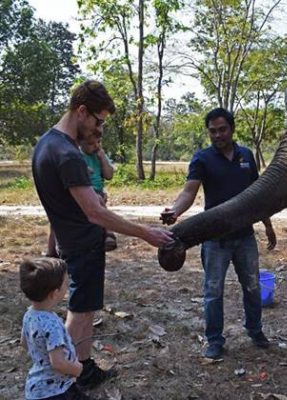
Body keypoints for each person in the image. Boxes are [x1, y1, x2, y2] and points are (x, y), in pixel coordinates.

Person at [32, 80, 173, 388]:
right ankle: (60, 382)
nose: (99, 128)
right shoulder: (68, 154)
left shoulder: (46, 144)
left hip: (74, 243)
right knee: (80, 313)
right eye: (99, 120)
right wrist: (145, 233)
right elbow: (95, 211)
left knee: (84, 309)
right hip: (82, 245)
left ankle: (84, 369)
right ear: (82, 111)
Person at [161, 107, 277, 359]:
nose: (217, 135)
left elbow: (259, 195)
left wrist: (267, 226)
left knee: (252, 287)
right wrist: (176, 211)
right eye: (212, 131)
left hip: (245, 236)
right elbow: (189, 192)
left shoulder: (246, 155)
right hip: (214, 240)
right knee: (213, 291)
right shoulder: (202, 159)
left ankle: (255, 331)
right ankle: (214, 340)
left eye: (222, 129)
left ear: (232, 129)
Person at [20, 257, 94, 400]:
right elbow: (58, 363)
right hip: (55, 392)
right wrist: (78, 369)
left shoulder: (29, 314)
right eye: (66, 282)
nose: (68, 284)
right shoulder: (51, 323)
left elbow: (24, 342)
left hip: (37, 388)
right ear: (54, 293)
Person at [46, 135, 117, 256]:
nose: (96, 146)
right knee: (56, 220)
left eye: (98, 142)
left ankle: (107, 233)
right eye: (91, 143)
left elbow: (109, 175)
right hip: (81, 190)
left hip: (97, 191)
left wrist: (102, 159)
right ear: (81, 143)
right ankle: (51, 249)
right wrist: (82, 168)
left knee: (99, 201)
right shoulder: (76, 156)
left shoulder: (99, 155)